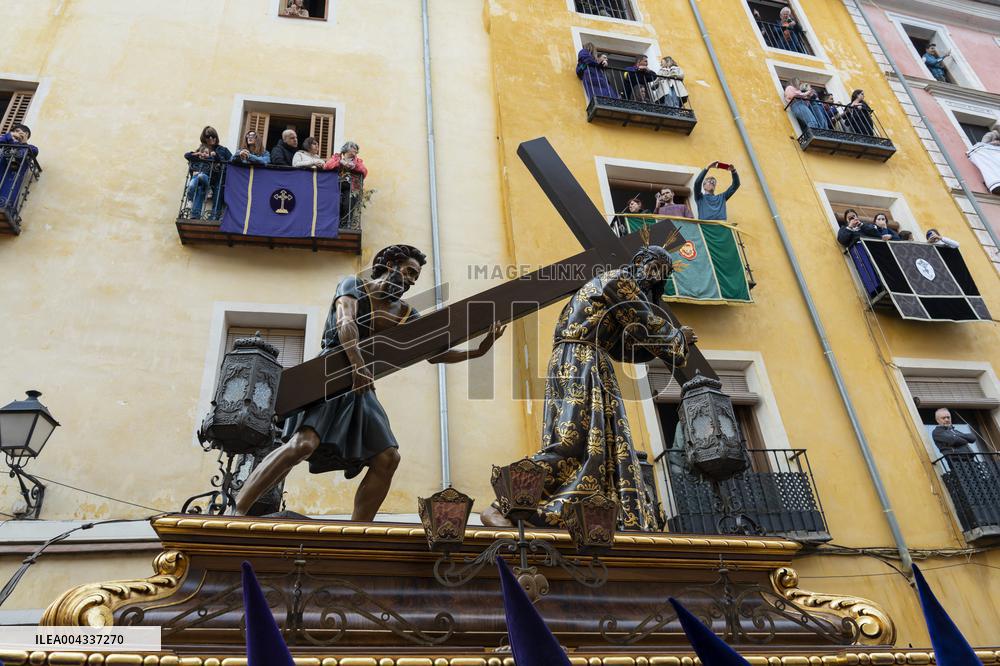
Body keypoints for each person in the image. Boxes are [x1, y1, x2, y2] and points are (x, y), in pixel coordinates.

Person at [233, 245, 506, 520]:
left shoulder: (405, 313)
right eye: (409, 271)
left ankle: (357, 532)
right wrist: (357, 365)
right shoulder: (353, 285)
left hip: (360, 384)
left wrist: (478, 351)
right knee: (303, 444)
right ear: (390, 264)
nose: (411, 281)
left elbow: (433, 353)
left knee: (388, 458)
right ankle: (239, 509)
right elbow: (346, 322)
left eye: (415, 276)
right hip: (331, 372)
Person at [480, 245, 695, 531]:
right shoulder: (619, 280)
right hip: (581, 361)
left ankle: (562, 514)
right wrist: (677, 339)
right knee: (572, 442)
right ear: (639, 261)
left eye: (661, 274)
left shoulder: (615, 294)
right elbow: (646, 324)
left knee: (594, 449)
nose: (654, 277)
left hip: (587, 360)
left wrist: (668, 345)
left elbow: (627, 346)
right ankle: (502, 504)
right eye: (653, 268)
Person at [183, 126, 232, 219]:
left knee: (218, 188)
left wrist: (216, 156)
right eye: (208, 136)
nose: (211, 138)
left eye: (213, 136)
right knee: (199, 186)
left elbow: (231, 161)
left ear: (216, 137)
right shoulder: (201, 149)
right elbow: (188, 155)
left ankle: (214, 216)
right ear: (204, 138)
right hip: (203, 176)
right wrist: (197, 154)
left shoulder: (223, 150)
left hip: (217, 179)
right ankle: (195, 215)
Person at [324, 140, 368, 223]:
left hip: (351, 186)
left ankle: (344, 223)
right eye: (354, 148)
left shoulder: (358, 162)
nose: (356, 150)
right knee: (335, 203)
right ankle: (333, 222)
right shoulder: (337, 158)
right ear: (347, 149)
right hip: (335, 186)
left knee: (348, 204)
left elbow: (364, 171)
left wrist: (354, 166)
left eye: (356, 149)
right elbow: (326, 166)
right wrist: (340, 162)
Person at [0, 123, 39, 210]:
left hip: (10, 181)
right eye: (13, 132)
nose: (15, 133)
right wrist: (10, 136)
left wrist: (23, 143)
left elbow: (27, 153)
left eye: (17, 131)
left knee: (5, 203)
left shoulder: (31, 148)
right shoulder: (5, 142)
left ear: (26, 134)